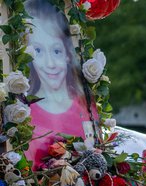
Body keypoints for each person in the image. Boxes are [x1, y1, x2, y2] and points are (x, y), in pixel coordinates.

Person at [24, 0, 94, 168]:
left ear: (67, 54)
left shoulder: (84, 107)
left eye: (56, 51)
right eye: (38, 51)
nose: (50, 64)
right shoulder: (21, 113)